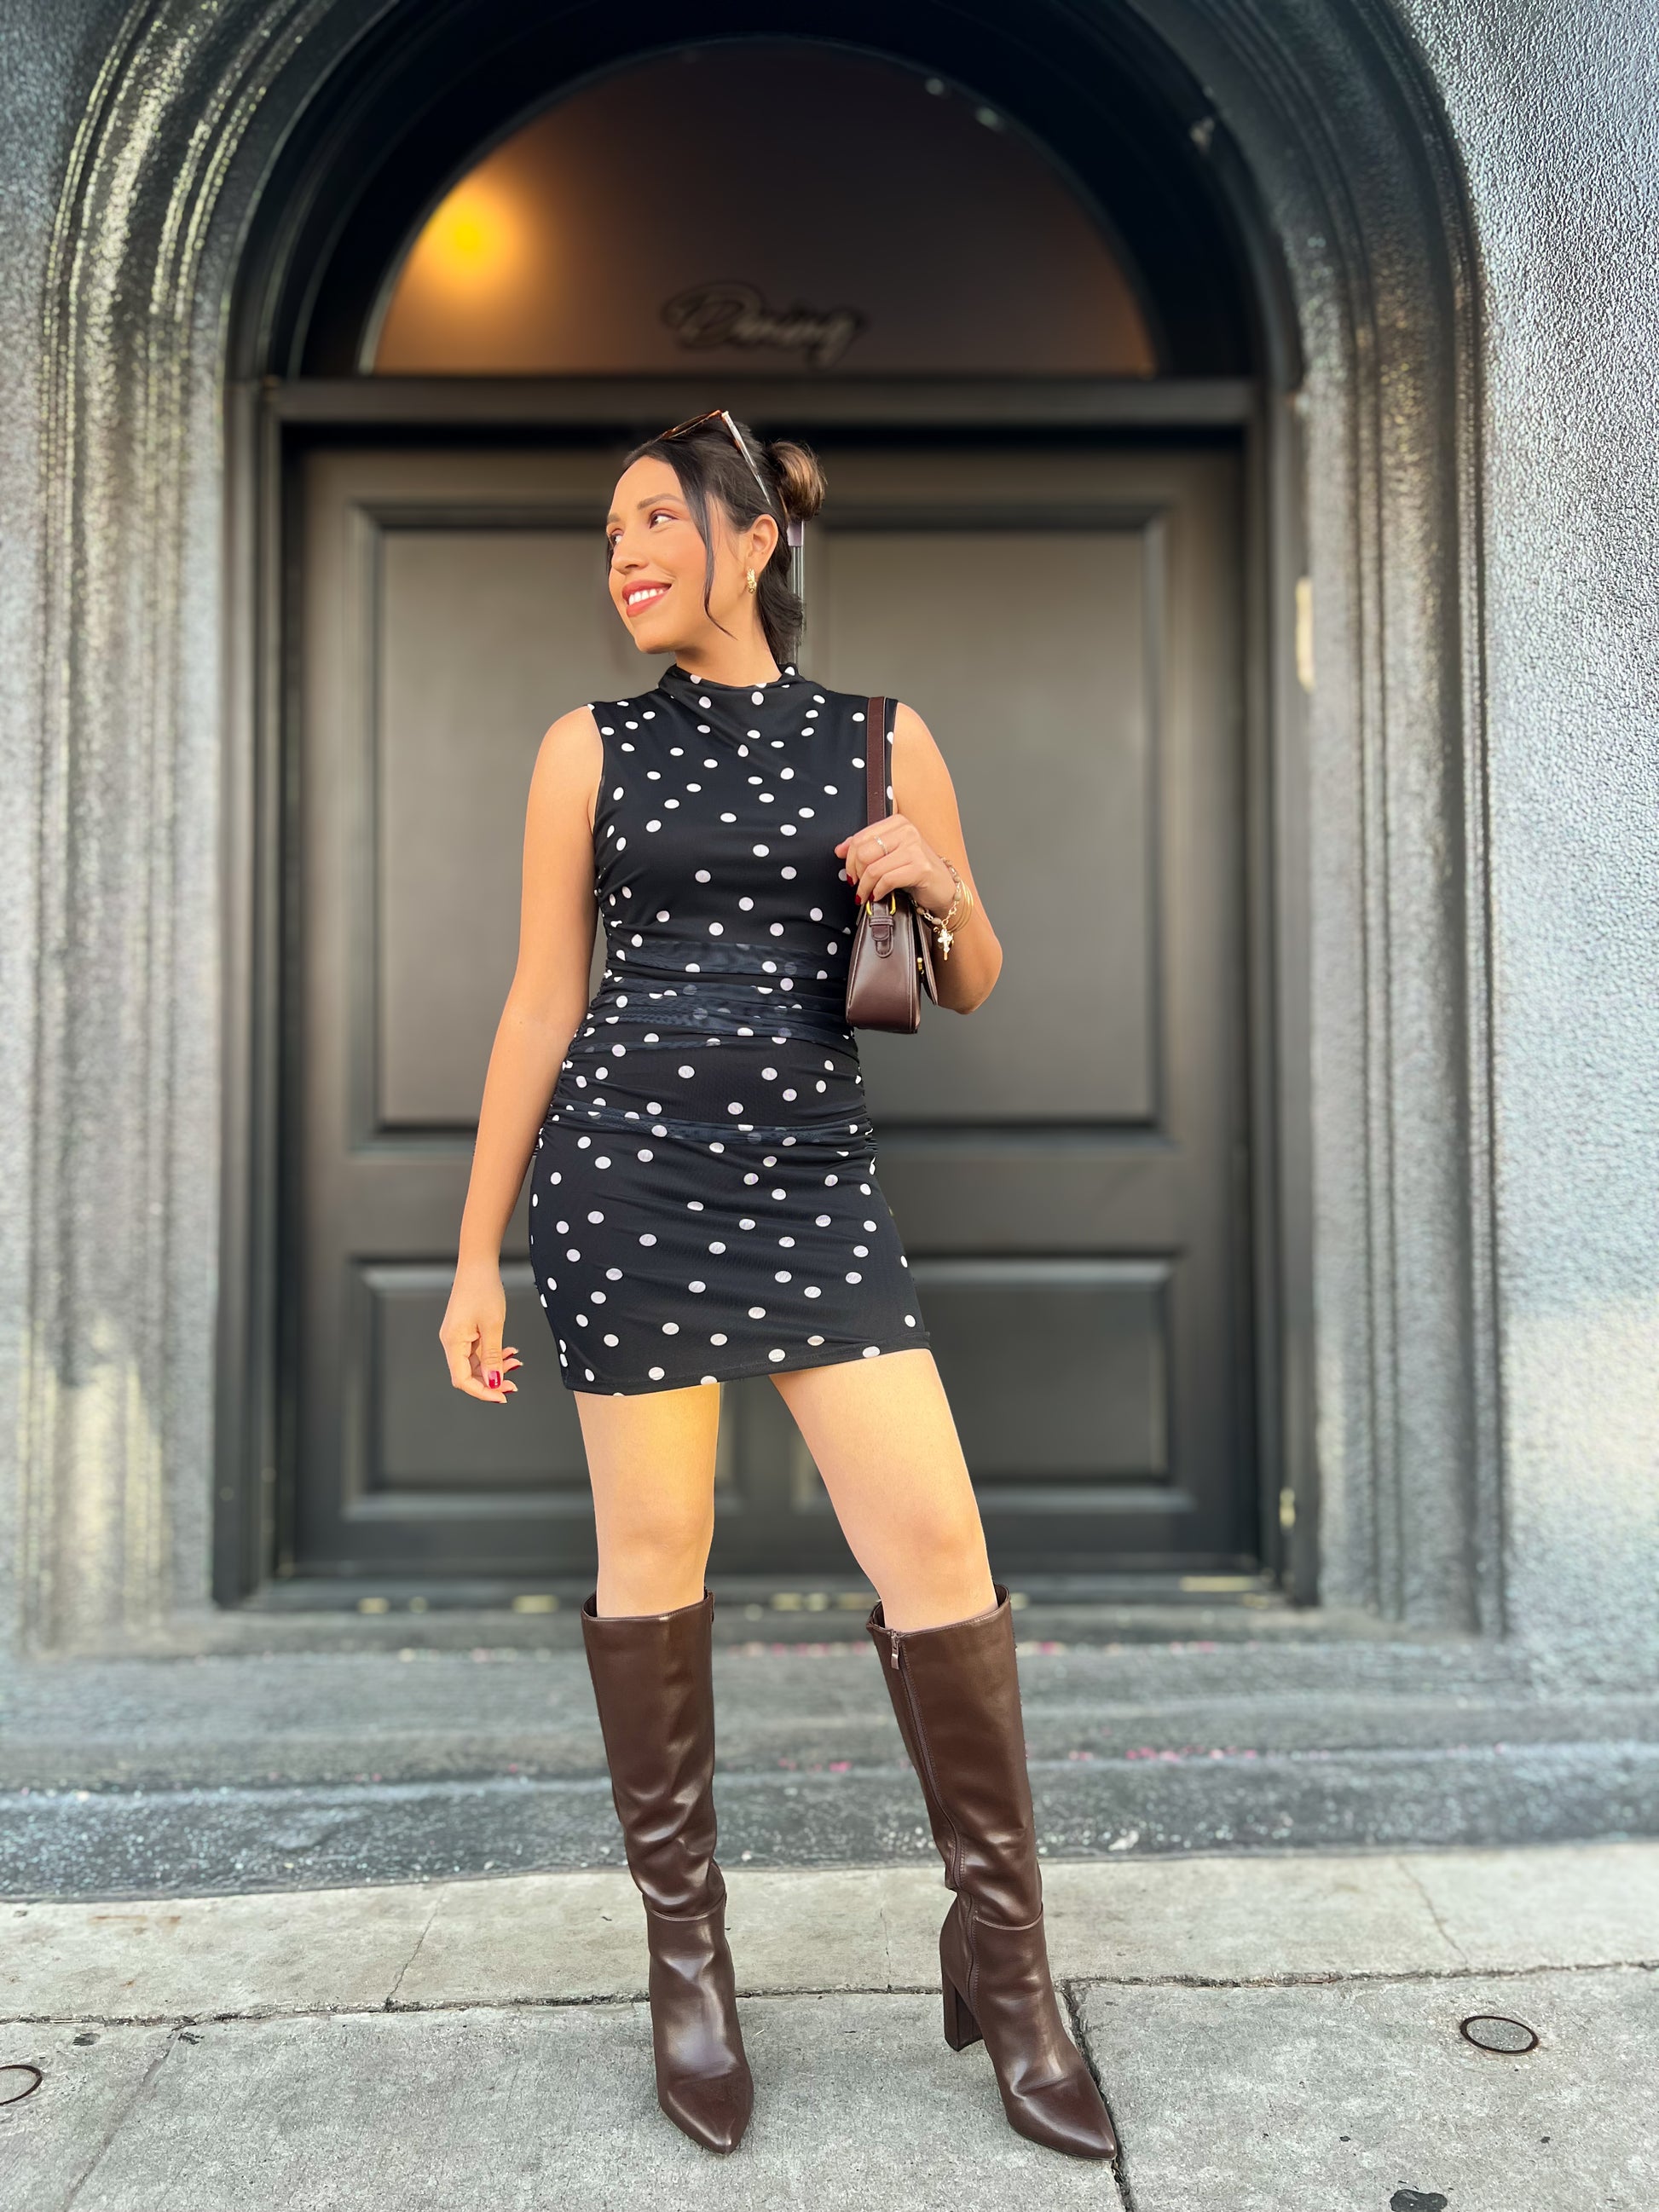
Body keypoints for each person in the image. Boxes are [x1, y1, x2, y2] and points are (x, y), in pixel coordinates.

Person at [438, 410, 1117, 2163]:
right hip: (623, 1183)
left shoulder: (883, 737)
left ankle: (1010, 1961)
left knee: (941, 1562)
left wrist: (939, 880)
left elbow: (967, 978)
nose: (624, 555)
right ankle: (689, 1961)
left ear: (752, 540)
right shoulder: (582, 747)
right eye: (607, 534)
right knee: (655, 1572)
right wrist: (471, 1251)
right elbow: (537, 1002)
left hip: (814, 1189)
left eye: (654, 519)